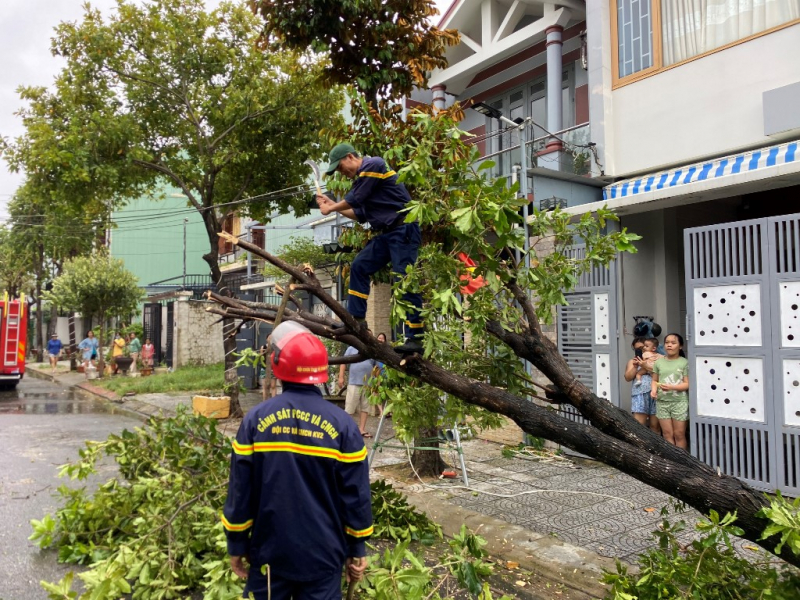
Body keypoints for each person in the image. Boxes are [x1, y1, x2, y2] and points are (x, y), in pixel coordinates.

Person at [222, 321, 372, 599]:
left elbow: (240, 491)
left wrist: (237, 543)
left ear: (277, 363)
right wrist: (357, 547)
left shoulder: (255, 422)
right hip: (324, 556)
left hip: (270, 555)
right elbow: (356, 495)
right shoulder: (344, 426)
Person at [316, 143, 424, 355]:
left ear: (350, 156)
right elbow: (360, 214)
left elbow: (354, 199)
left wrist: (331, 207)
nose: (342, 172)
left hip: (404, 228)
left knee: (405, 279)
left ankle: (416, 339)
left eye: (340, 167)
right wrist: (332, 206)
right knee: (359, 265)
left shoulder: (374, 164)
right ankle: (356, 321)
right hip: (386, 233)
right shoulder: (363, 183)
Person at [651, 333, 690, 449]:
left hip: (680, 402)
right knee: (667, 434)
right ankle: (671, 463)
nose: (669, 345)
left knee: (679, 434)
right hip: (662, 402)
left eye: (673, 343)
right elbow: (654, 380)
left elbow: (687, 384)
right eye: (667, 343)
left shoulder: (684, 362)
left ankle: (682, 462)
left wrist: (672, 387)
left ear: (680, 346)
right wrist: (653, 391)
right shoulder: (658, 362)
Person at [339, 337, 377, 437]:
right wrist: (341, 377)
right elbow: (343, 362)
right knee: (350, 407)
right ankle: (346, 430)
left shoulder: (372, 350)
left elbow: (376, 368)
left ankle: (361, 429)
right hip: (354, 382)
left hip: (368, 385)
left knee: (365, 408)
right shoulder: (351, 348)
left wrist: (377, 383)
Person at [624, 338, 660, 433]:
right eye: (638, 349)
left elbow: (663, 373)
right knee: (639, 426)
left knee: (655, 425)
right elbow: (628, 377)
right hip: (639, 393)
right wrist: (635, 367)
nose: (642, 349)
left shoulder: (657, 358)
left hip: (656, 393)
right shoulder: (632, 361)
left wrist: (646, 365)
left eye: (643, 347)